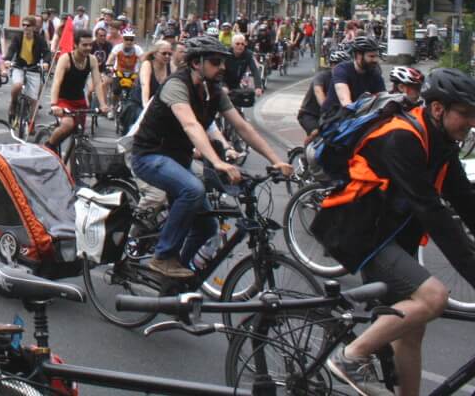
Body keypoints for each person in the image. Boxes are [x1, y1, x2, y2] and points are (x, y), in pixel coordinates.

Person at [315, 69, 475, 396]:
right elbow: (431, 210)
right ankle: (350, 356)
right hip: (362, 235)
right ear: (438, 109)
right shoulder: (402, 138)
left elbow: (467, 203)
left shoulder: (440, 141)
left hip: (392, 234)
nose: (472, 122)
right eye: (465, 114)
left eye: (474, 114)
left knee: (412, 331)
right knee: (433, 298)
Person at [130, 36, 292, 279]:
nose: (223, 68)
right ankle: (163, 256)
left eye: (223, 62)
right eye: (216, 62)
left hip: (178, 160)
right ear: (197, 63)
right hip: (150, 156)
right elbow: (190, 124)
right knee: (193, 190)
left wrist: (275, 159)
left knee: (206, 227)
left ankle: (172, 277)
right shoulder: (177, 85)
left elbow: (242, 126)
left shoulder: (213, 90)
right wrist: (217, 162)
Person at [45, 29, 109, 151]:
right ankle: (49, 147)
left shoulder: (92, 59)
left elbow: (97, 83)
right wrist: (54, 105)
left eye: (90, 45)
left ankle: (72, 167)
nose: (88, 47)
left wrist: (103, 104)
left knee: (78, 135)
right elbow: (57, 82)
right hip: (63, 100)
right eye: (84, 45)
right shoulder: (66, 58)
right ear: (75, 44)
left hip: (80, 102)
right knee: (68, 125)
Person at [324, 35, 384, 115]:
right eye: (371, 56)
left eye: (377, 56)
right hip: (334, 118)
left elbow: (383, 98)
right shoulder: (341, 70)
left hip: (360, 116)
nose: (376, 60)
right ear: (359, 55)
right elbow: (346, 103)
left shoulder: (374, 73)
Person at [298, 47, 349, 141]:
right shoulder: (322, 77)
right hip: (310, 114)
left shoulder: (345, 80)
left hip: (331, 116)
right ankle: (305, 152)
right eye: (338, 65)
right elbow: (318, 92)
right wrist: (327, 108)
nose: (342, 69)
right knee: (317, 133)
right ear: (332, 65)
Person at [6, 15, 50, 118]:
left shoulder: (39, 39)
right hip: (19, 66)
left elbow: (47, 52)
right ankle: (13, 103)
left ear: (34, 27)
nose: (25, 27)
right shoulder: (18, 37)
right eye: (23, 25)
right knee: (17, 85)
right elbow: (11, 49)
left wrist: (46, 62)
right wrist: (7, 60)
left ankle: (31, 122)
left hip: (33, 68)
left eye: (28, 25)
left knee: (33, 99)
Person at [139, 40, 174, 107]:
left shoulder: (171, 66)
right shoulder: (147, 64)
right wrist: (145, 105)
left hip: (157, 106)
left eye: (170, 54)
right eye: (164, 53)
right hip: (141, 103)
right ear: (154, 54)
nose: (167, 56)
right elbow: (145, 85)